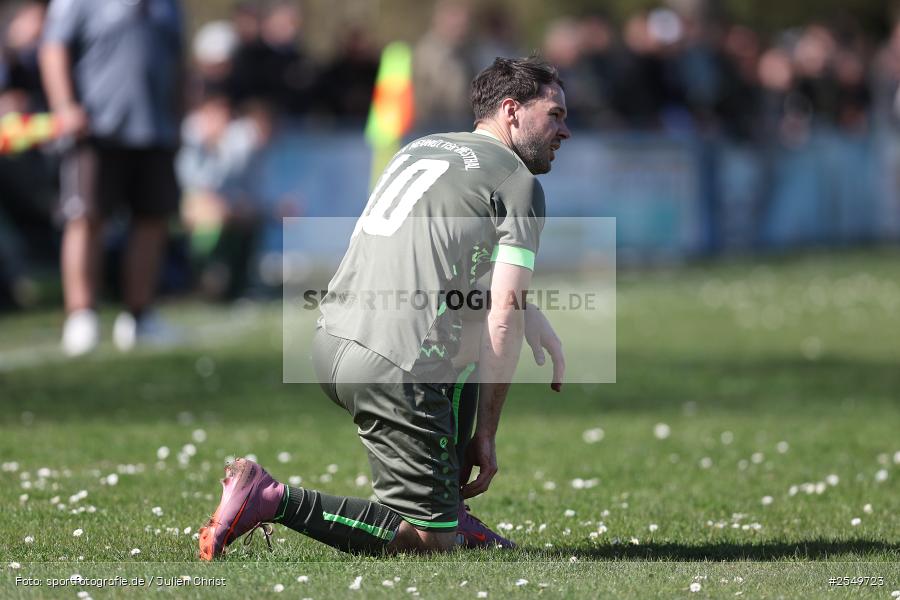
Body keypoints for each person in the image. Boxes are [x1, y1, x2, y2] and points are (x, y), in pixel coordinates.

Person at [199, 56, 569, 558]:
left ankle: (446, 504)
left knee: (462, 332)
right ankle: (270, 498)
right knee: (429, 541)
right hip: (395, 367)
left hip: (332, 342)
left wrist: (531, 313)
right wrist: (485, 434)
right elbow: (500, 317)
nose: (564, 130)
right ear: (511, 110)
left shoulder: (425, 147)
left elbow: (454, 266)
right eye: (555, 115)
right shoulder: (519, 183)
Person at [40, 0, 184, 355]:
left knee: (152, 221)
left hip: (156, 129)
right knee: (85, 219)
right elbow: (53, 47)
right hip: (95, 128)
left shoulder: (169, 5)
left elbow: (180, 63)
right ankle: (82, 316)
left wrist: (181, 117)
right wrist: (64, 106)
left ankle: (140, 317)